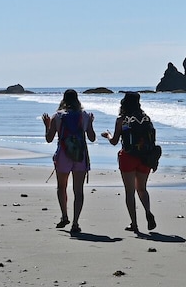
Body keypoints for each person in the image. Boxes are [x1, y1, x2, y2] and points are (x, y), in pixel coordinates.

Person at [101, 91, 159, 233]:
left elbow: (114, 141)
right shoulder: (146, 118)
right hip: (145, 158)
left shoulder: (122, 119)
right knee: (142, 189)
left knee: (129, 192)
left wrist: (107, 135)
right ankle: (147, 211)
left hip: (128, 157)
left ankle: (134, 224)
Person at [41, 89, 95, 233]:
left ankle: (64, 216)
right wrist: (91, 123)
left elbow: (49, 139)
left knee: (61, 187)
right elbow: (92, 138)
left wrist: (47, 125)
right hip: (80, 155)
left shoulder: (57, 116)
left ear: (63, 100)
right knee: (78, 191)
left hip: (63, 155)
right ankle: (75, 223)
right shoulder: (85, 116)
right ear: (77, 100)